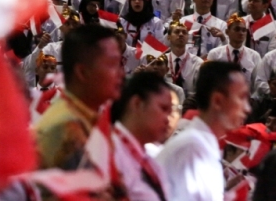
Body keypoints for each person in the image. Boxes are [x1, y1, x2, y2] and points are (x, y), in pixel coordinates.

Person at [157, 62, 252, 201]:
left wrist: (224, 194)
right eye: (242, 98)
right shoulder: (191, 148)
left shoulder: (202, 143)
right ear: (217, 101)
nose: (247, 108)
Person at [35, 24, 125, 170]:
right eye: (112, 64)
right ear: (82, 72)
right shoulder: (63, 130)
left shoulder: (89, 116)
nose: (121, 74)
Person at [110, 71, 174, 201]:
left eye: (170, 111)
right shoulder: (108, 152)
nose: (168, 119)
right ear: (137, 104)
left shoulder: (152, 156)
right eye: (163, 108)